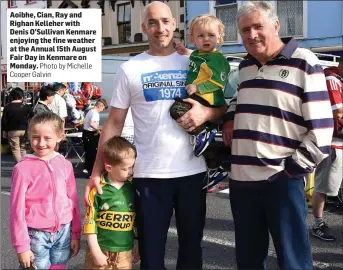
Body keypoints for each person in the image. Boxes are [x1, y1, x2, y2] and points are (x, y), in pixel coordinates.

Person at [83, 2, 227, 269]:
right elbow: (114, 123)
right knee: (151, 255)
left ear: (174, 24)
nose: (160, 28)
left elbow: (221, 107)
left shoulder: (194, 60)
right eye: (152, 23)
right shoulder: (130, 68)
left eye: (164, 21)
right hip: (149, 177)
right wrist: (96, 172)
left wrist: (205, 115)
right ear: (144, 28)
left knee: (191, 253)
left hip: (192, 173)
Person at [222, 1, 334, 269]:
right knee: (248, 261)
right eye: (245, 30)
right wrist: (229, 117)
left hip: (280, 181)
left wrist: (290, 172)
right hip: (241, 184)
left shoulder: (305, 62)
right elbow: (240, 98)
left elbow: (322, 129)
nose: (251, 35)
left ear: (276, 25)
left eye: (258, 26)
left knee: (293, 261)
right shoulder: (246, 67)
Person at [10, 112, 81, 269]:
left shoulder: (65, 165)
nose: (41, 143)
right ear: (29, 136)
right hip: (36, 235)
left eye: (47, 138)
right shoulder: (22, 168)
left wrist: (75, 233)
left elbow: (73, 200)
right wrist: (22, 246)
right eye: (35, 137)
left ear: (60, 136)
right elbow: (17, 210)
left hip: (64, 231)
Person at [172, 14, 230, 191]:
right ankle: (215, 169)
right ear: (193, 39)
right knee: (204, 148)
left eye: (211, 35)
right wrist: (185, 51)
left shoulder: (219, 59)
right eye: (201, 36)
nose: (206, 39)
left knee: (177, 109)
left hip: (208, 98)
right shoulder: (198, 53)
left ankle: (203, 131)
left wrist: (198, 88)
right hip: (199, 96)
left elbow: (219, 82)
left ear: (219, 37)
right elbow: (198, 57)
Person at [83, 136, 139, 269]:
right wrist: (95, 251)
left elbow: (138, 221)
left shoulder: (133, 188)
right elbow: (89, 221)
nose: (131, 172)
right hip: (99, 249)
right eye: (126, 169)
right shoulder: (97, 190)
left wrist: (139, 244)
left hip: (124, 251)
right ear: (108, 167)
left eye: (132, 167)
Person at [311, 56, 343, 241]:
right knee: (323, 185)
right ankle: (318, 223)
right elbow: (338, 112)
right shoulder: (332, 80)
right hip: (332, 141)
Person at [1, 87, 34, 162]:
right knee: (23, 148)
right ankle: (25, 164)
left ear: (11, 97)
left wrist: (4, 131)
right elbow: (32, 116)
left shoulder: (7, 107)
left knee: (15, 149)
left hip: (12, 130)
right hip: (24, 129)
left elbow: (4, 121)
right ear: (22, 97)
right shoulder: (26, 107)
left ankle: (20, 165)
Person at [82, 98, 108, 176]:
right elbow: (92, 123)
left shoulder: (90, 111)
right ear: (101, 106)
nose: (103, 110)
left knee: (89, 152)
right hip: (90, 134)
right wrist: (99, 129)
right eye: (103, 108)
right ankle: (91, 171)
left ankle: (86, 168)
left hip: (86, 133)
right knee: (93, 153)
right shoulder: (95, 113)